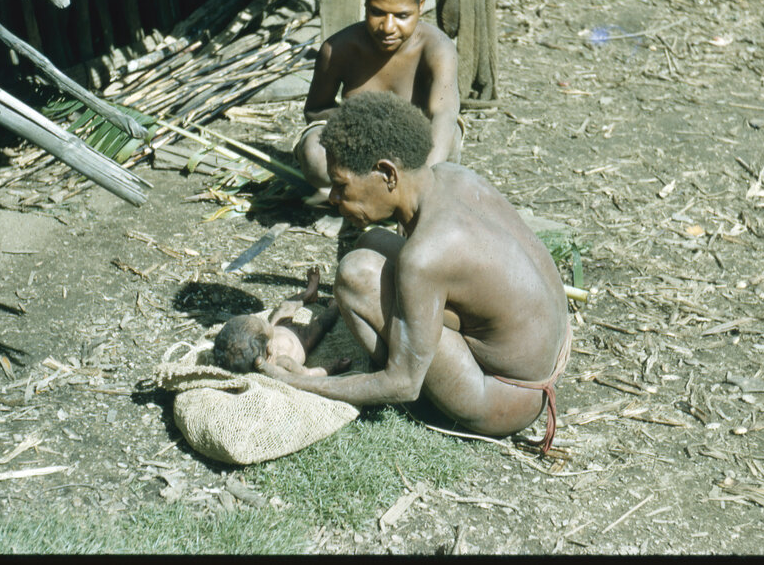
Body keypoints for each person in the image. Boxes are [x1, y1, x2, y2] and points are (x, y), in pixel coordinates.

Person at [259, 91, 571, 453]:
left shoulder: (426, 256)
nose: (333, 199)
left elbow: (404, 383)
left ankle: (427, 393)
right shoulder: (452, 176)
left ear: (387, 173)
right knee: (372, 241)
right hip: (549, 353)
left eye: (342, 186)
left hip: (508, 397)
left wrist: (300, 383)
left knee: (357, 275)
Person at [294, 0, 462, 203]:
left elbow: (444, 114)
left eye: (402, 15)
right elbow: (315, 111)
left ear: (421, 5)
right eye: (377, 12)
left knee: (449, 139)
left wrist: (420, 189)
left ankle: (417, 199)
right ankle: (350, 199)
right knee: (314, 154)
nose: (388, 27)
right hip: (358, 145)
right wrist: (362, 130)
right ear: (365, 2)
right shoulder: (338, 49)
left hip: (415, 149)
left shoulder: (437, 49)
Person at [214, 267, 349, 377]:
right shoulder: (282, 362)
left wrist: (271, 327)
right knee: (323, 322)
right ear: (269, 349)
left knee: (285, 306)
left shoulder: (263, 342)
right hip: (304, 339)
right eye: (263, 324)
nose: (261, 318)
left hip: (279, 326)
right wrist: (332, 367)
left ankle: (309, 293)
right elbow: (307, 374)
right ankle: (335, 306)